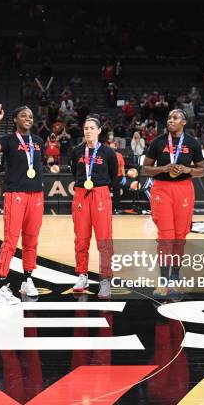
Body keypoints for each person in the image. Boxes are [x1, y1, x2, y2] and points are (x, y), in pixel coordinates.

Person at [143, 109, 204, 299]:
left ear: (184, 122)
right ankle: (163, 282)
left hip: (184, 189)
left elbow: (202, 170)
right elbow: (145, 168)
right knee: (166, 236)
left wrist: (188, 169)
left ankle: (175, 280)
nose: (171, 120)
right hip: (162, 189)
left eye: (175, 118)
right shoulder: (158, 142)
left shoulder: (192, 143)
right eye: (169, 117)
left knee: (179, 237)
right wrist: (164, 168)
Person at [0, 104, 45, 304]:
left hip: (36, 196)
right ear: (15, 120)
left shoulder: (38, 141)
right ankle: (0, 285)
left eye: (30, 115)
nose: (28, 118)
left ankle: (27, 279)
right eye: (23, 115)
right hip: (16, 195)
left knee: (32, 240)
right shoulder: (9, 140)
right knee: (10, 240)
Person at [70, 114, 118, 299]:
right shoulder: (76, 151)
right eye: (85, 128)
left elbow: (113, 175)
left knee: (104, 240)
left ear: (99, 131)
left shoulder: (108, 152)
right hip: (81, 195)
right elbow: (75, 172)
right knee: (81, 239)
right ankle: (82, 275)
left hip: (101, 194)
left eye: (91, 128)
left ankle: (105, 280)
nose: (88, 131)